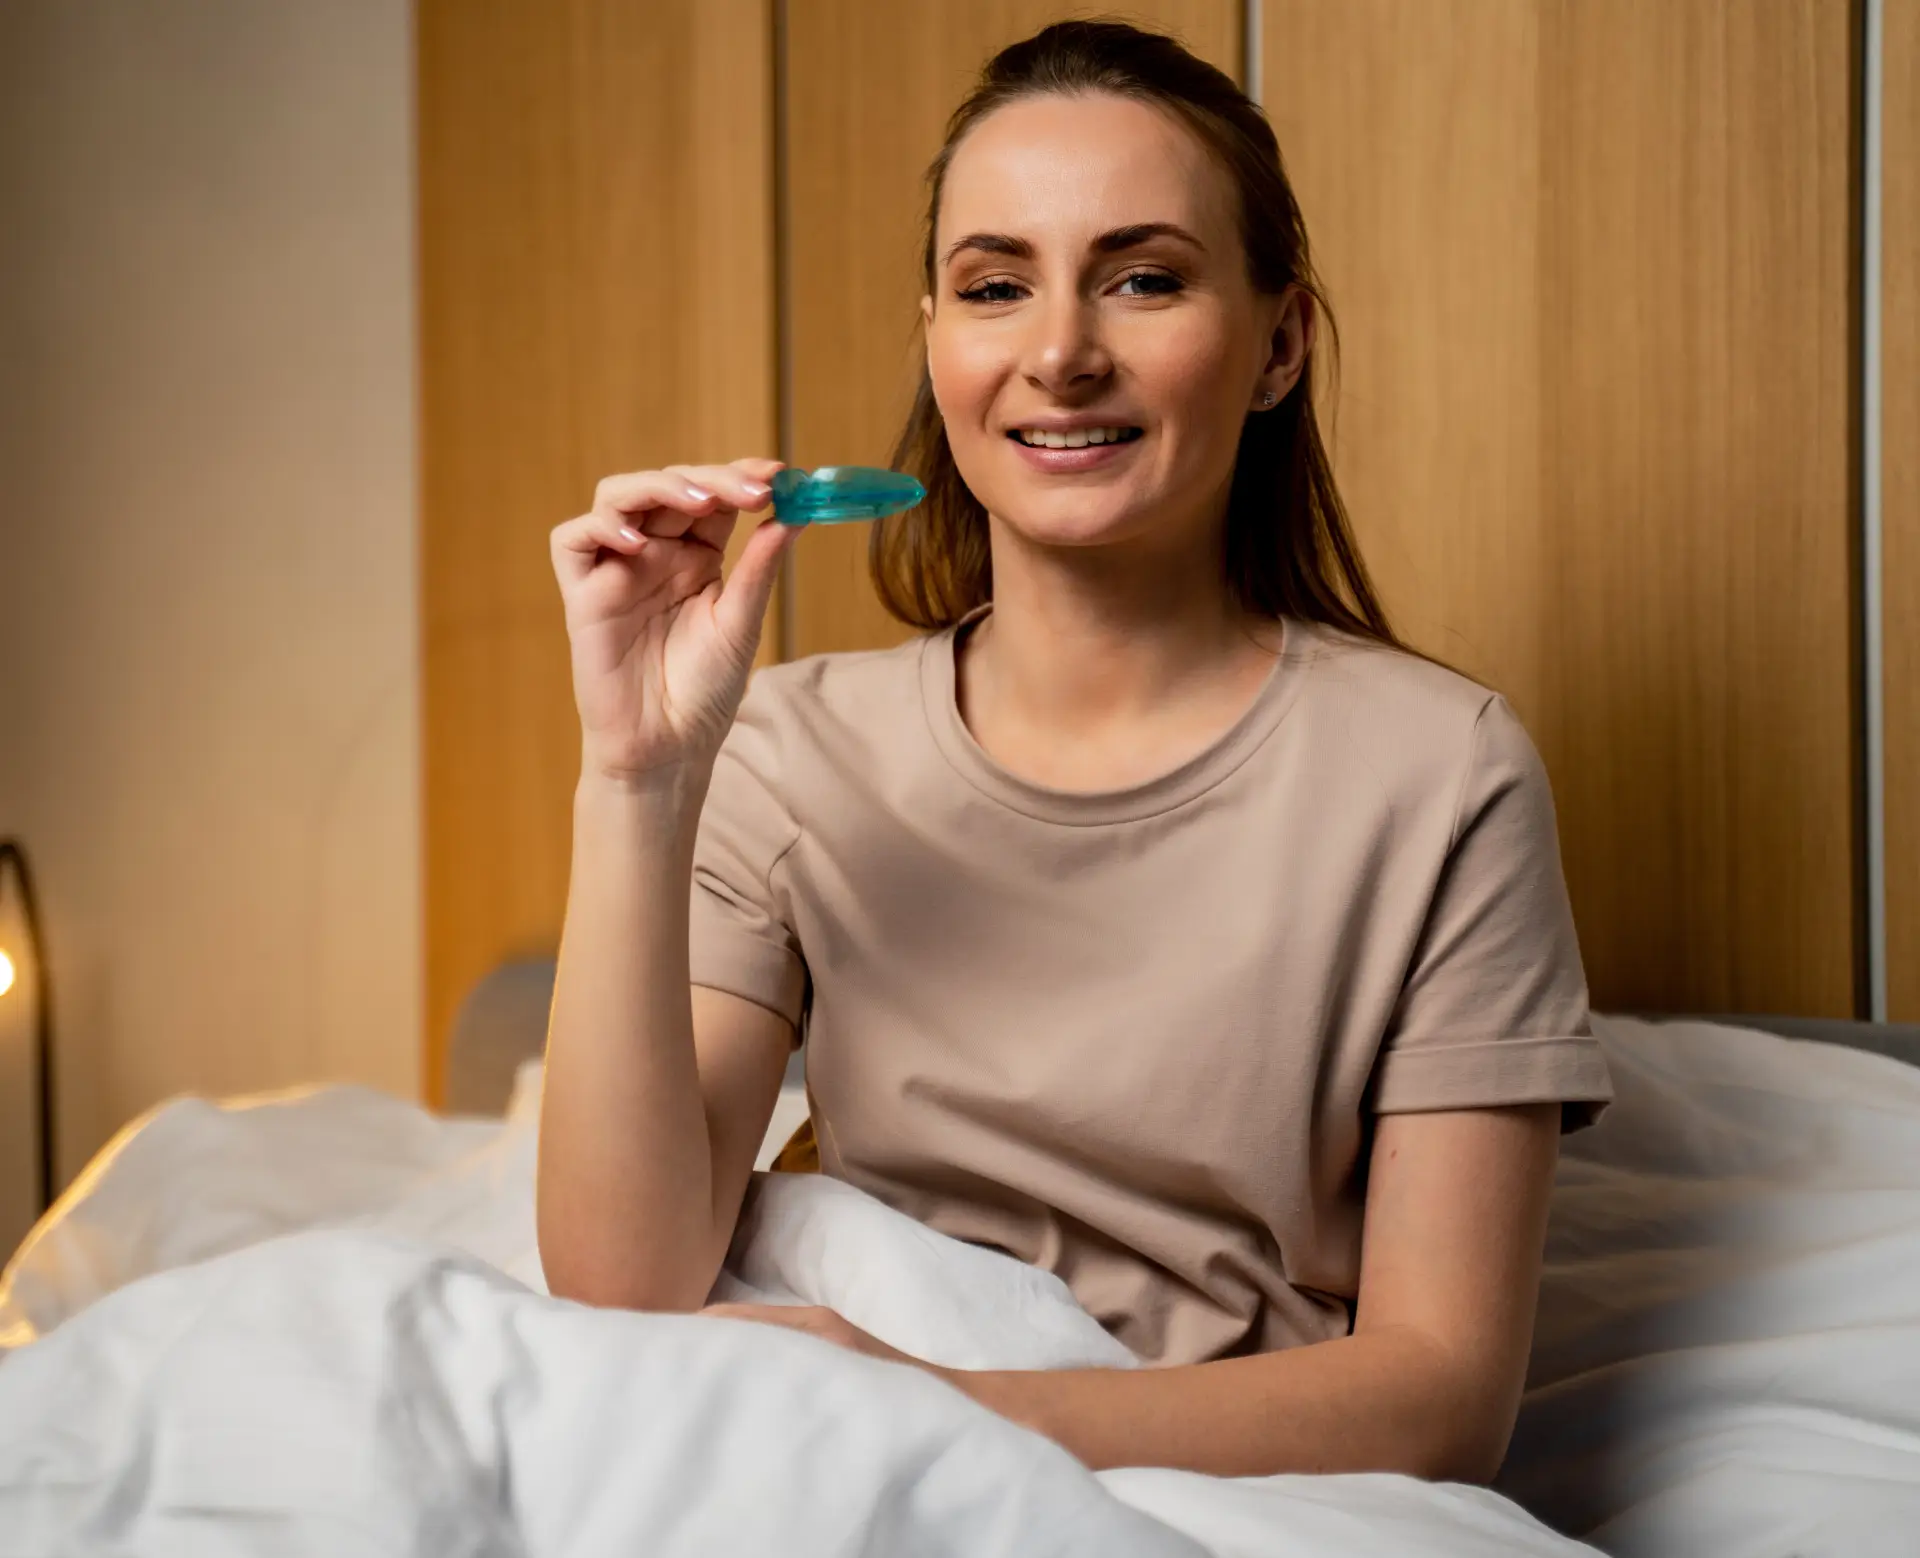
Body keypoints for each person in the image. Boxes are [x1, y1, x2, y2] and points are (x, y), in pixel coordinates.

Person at [536, 18, 1612, 1484]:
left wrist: (941, 1410)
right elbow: (621, 1284)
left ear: (1279, 344)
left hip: (1204, 1488)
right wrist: (637, 778)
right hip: (826, 1440)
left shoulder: (1442, 776)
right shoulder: (789, 753)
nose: (1059, 354)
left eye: (1145, 279)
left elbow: (1442, 1401)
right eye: (996, 288)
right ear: (936, 338)